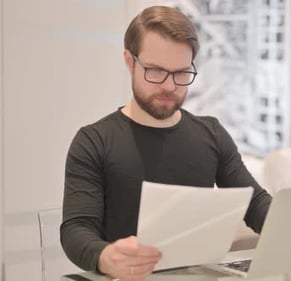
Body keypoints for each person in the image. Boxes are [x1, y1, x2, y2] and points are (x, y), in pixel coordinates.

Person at [61, 5, 272, 281]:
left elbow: (254, 203)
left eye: (182, 73)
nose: (170, 86)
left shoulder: (211, 133)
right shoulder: (94, 141)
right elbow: (77, 229)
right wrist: (105, 256)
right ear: (129, 61)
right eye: (156, 71)